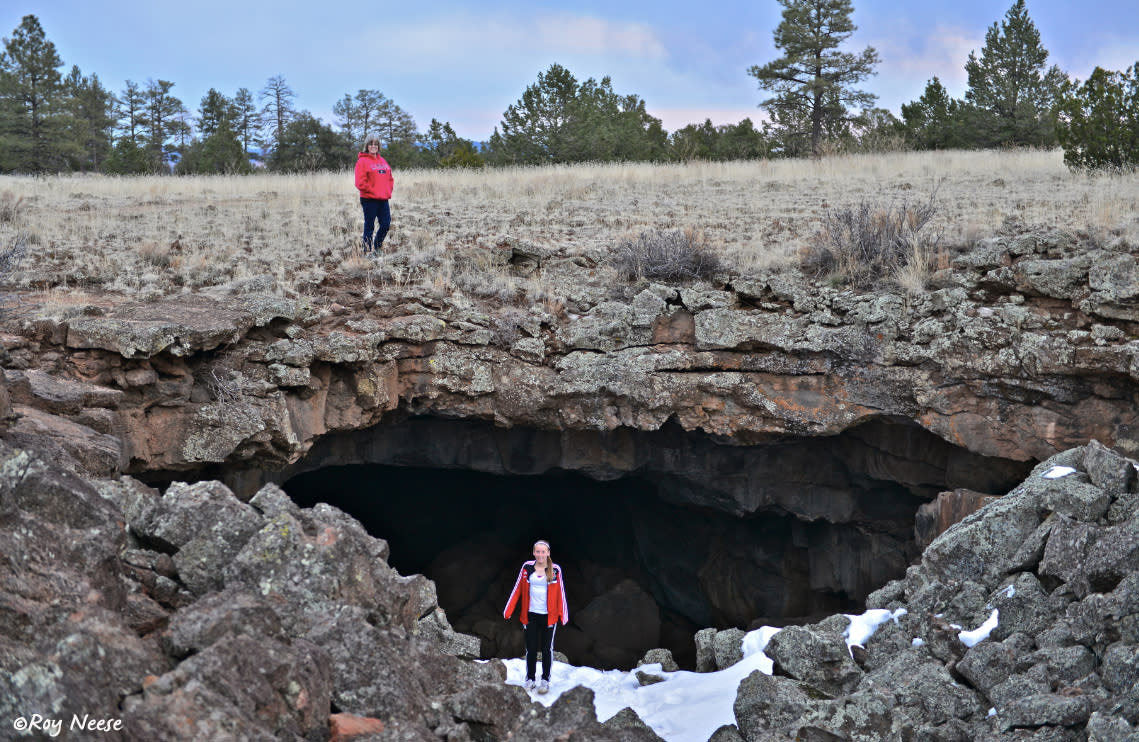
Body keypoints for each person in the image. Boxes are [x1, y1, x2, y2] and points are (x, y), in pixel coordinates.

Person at [503, 539, 568, 694]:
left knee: (547, 649)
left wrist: (563, 615)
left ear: (548, 553)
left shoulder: (555, 570)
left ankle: (545, 680)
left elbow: (561, 593)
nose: (540, 555)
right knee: (530, 648)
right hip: (530, 615)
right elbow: (518, 588)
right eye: (537, 551)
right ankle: (530, 679)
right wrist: (508, 609)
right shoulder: (527, 567)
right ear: (534, 553)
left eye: (543, 552)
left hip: (548, 616)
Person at [354, 137, 394, 255]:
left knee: (386, 224)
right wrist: (373, 191)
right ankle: (367, 251)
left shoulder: (382, 160)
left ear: (378, 146)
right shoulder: (362, 161)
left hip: (383, 198)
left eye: (376, 144)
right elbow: (360, 183)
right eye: (371, 144)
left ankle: (377, 247)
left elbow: (390, 178)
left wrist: (388, 190)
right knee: (369, 226)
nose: (373, 146)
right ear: (367, 146)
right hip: (369, 199)